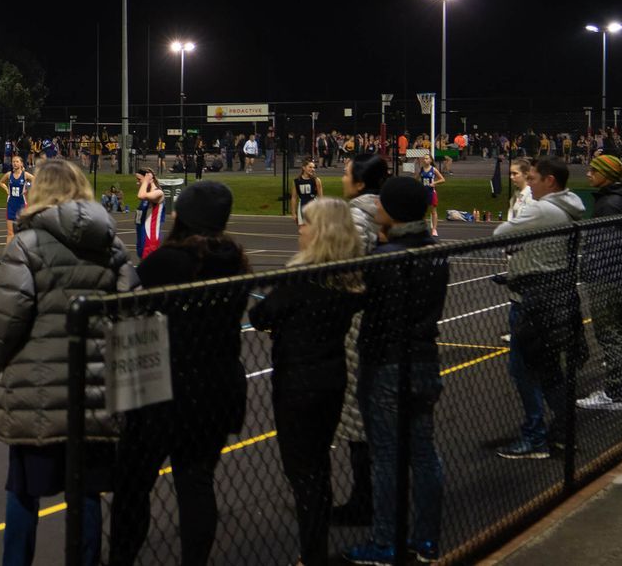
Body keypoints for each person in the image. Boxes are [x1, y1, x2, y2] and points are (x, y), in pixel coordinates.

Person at [0, 159, 138, 566]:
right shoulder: (111, 247)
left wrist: (3, 359)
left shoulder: (26, 244)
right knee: (87, 493)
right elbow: (131, 310)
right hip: (94, 386)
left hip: (35, 388)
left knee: (24, 491)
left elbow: (7, 318)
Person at [111, 181, 246, 566]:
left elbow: (130, 309)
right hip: (217, 385)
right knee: (196, 483)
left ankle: (121, 556)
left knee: (133, 484)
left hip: (165, 387)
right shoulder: (233, 259)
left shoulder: (168, 262)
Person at [249, 196, 365, 566]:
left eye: (307, 222)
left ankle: (312, 554)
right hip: (331, 377)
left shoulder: (301, 279)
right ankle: (314, 548)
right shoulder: (347, 278)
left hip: (298, 384)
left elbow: (261, 314)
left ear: (322, 233)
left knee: (303, 473)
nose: (300, 228)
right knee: (318, 468)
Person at [345, 176, 450, 566]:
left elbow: (361, 300)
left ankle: (386, 541)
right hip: (424, 357)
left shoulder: (385, 258)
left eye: (382, 204)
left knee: (387, 457)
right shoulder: (434, 251)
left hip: (387, 361)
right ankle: (426, 539)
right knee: (423, 453)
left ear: (393, 210)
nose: (376, 207)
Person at [492, 157, 588, 459]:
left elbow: (500, 235)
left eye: (533, 178)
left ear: (550, 181)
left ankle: (535, 438)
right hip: (554, 294)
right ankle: (562, 432)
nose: (528, 183)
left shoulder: (543, 209)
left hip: (534, 299)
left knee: (524, 369)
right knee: (549, 371)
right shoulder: (569, 206)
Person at [576, 153, 622, 411]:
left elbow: (604, 243)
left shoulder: (610, 203)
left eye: (593, 170)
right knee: (619, 335)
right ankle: (618, 390)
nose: (588, 174)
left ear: (606, 174)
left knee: (610, 334)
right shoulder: (619, 199)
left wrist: (591, 267)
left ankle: (613, 394)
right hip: (620, 275)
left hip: (608, 277)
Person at [1, 155, 35, 243]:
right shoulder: (9, 174)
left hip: (21, 205)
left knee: (22, 232)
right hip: (11, 205)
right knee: (10, 233)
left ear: (21, 164)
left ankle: (24, 250)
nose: (15, 163)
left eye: (17, 162)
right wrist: (7, 190)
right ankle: (8, 251)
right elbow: (1, 182)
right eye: (13, 162)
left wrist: (28, 189)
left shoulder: (25, 175)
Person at [132, 169, 165, 258]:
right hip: (141, 236)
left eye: (139, 180)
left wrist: (146, 181)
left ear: (149, 178)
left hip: (150, 238)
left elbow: (140, 195)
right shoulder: (147, 195)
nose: (137, 183)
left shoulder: (158, 193)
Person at [294, 159, 323, 223]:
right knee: (303, 228)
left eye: (313, 167)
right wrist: (293, 213)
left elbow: (321, 197)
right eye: (310, 167)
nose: (313, 169)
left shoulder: (316, 180)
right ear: (304, 168)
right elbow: (294, 197)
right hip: (302, 206)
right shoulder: (297, 181)